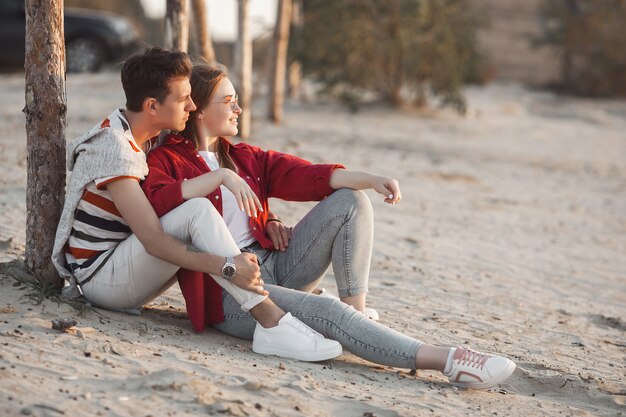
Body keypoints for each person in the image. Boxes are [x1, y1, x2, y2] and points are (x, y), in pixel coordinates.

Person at [140, 61, 517, 389]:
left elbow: (307, 175)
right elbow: (159, 206)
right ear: (200, 111)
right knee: (330, 316)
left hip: (275, 264)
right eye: (228, 100)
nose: (239, 107)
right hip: (230, 293)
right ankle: (451, 362)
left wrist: (369, 178)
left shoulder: (245, 157)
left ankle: (358, 309)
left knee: (351, 200)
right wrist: (224, 185)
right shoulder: (168, 161)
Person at [51, 47, 343, 363]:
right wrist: (228, 267)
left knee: (196, 207)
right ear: (152, 105)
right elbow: (154, 241)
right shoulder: (115, 150)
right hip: (102, 278)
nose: (192, 106)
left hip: (132, 265)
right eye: (183, 99)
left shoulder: (144, 133)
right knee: (196, 211)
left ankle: (275, 311)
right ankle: (271, 321)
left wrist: (267, 216)